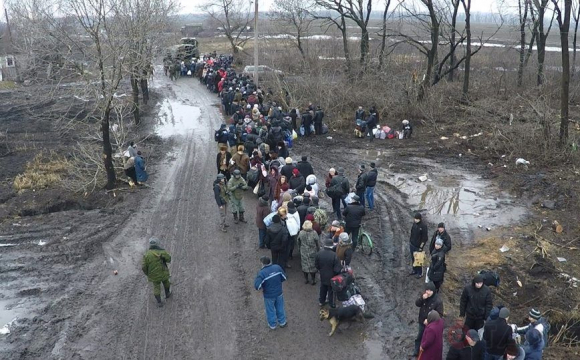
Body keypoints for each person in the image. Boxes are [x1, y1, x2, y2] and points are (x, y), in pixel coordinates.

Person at [254, 256, 287, 330]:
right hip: (279, 293)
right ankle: (282, 322)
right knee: (280, 307)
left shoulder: (262, 273)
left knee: (270, 310)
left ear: (263, 264)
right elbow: (284, 277)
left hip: (269, 295)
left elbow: (257, 286)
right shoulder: (277, 267)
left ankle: (272, 325)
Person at [413, 282, 444, 357]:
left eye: (430, 291)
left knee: (428, 340)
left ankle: (424, 352)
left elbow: (440, 314)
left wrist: (429, 320)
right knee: (419, 337)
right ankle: (416, 351)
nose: (428, 292)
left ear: (433, 291)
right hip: (422, 321)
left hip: (430, 325)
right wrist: (421, 298)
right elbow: (417, 304)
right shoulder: (424, 296)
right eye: (427, 290)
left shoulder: (438, 301)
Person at [142, 237, 171, 307]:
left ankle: (159, 302)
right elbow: (169, 259)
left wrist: (148, 274)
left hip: (154, 275)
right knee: (166, 282)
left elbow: (143, 267)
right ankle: (167, 294)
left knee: (156, 287)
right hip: (163, 272)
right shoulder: (162, 252)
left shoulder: (146, 255)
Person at [315, 237, 342, 308]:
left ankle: (321, 301)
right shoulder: (334, 255)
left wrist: (321, 270)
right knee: (331, 291)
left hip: (323, 275)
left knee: (323, 288)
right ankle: (332, 304)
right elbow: (337, 269)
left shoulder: (319, 254)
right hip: (332, 276)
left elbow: (316, 265)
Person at [297, 220, 320, 285]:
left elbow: (298, 242)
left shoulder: (301, 233)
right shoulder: (314, 233)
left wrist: (300, 249)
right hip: (313, 251)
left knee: (305, 265)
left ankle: (306, 279)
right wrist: (318, 250)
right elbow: (317, 242)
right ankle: (313, 280)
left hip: (304, 251)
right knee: (313, 266)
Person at [409, 212, 428, 278]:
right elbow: (412, 233)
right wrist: (411, 241)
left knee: (418, 260)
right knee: (413, 258)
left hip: (418, 247)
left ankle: (420, 273)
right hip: (412, 244)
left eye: (417, 219)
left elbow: (425, 238)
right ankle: (414, 270)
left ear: (420, 219)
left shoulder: (423, 226)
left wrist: (421, 247)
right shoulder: (414, 224)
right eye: (415, 219)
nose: (415, 220)